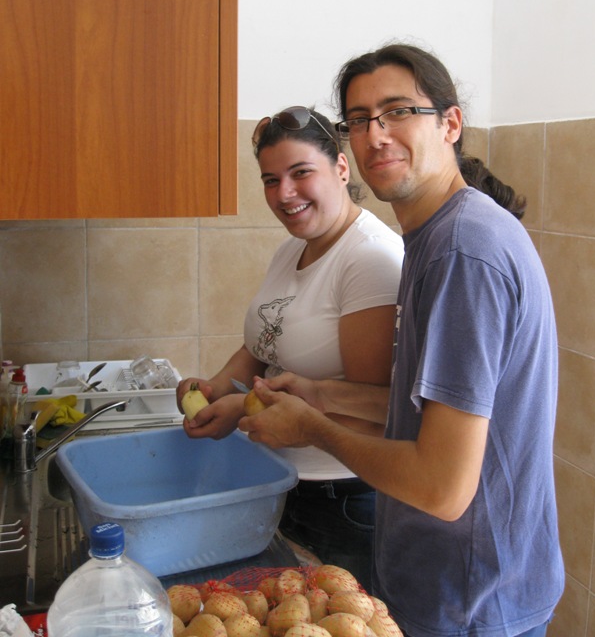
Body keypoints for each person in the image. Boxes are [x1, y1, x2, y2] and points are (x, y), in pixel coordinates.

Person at [239, 45, 564, 637]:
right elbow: (429, 413)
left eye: (397, 111)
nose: (376, 134)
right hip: (452, 586)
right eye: (359, 119)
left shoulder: (464, 251)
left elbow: (441, 487)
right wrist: (321, 394)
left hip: (470, 600)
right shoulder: (437, 237)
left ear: (450, 123)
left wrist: (313, 428)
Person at [177, 105, 405, 592]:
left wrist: (245, 411)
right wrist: (214, 388)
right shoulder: (293, 248)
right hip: (285, 482)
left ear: (340, 168)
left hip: (344, 497)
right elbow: (263, 344)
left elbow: (374, 411)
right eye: (270, 180)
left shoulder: (369, 260)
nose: (284, 194)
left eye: (301, 173)